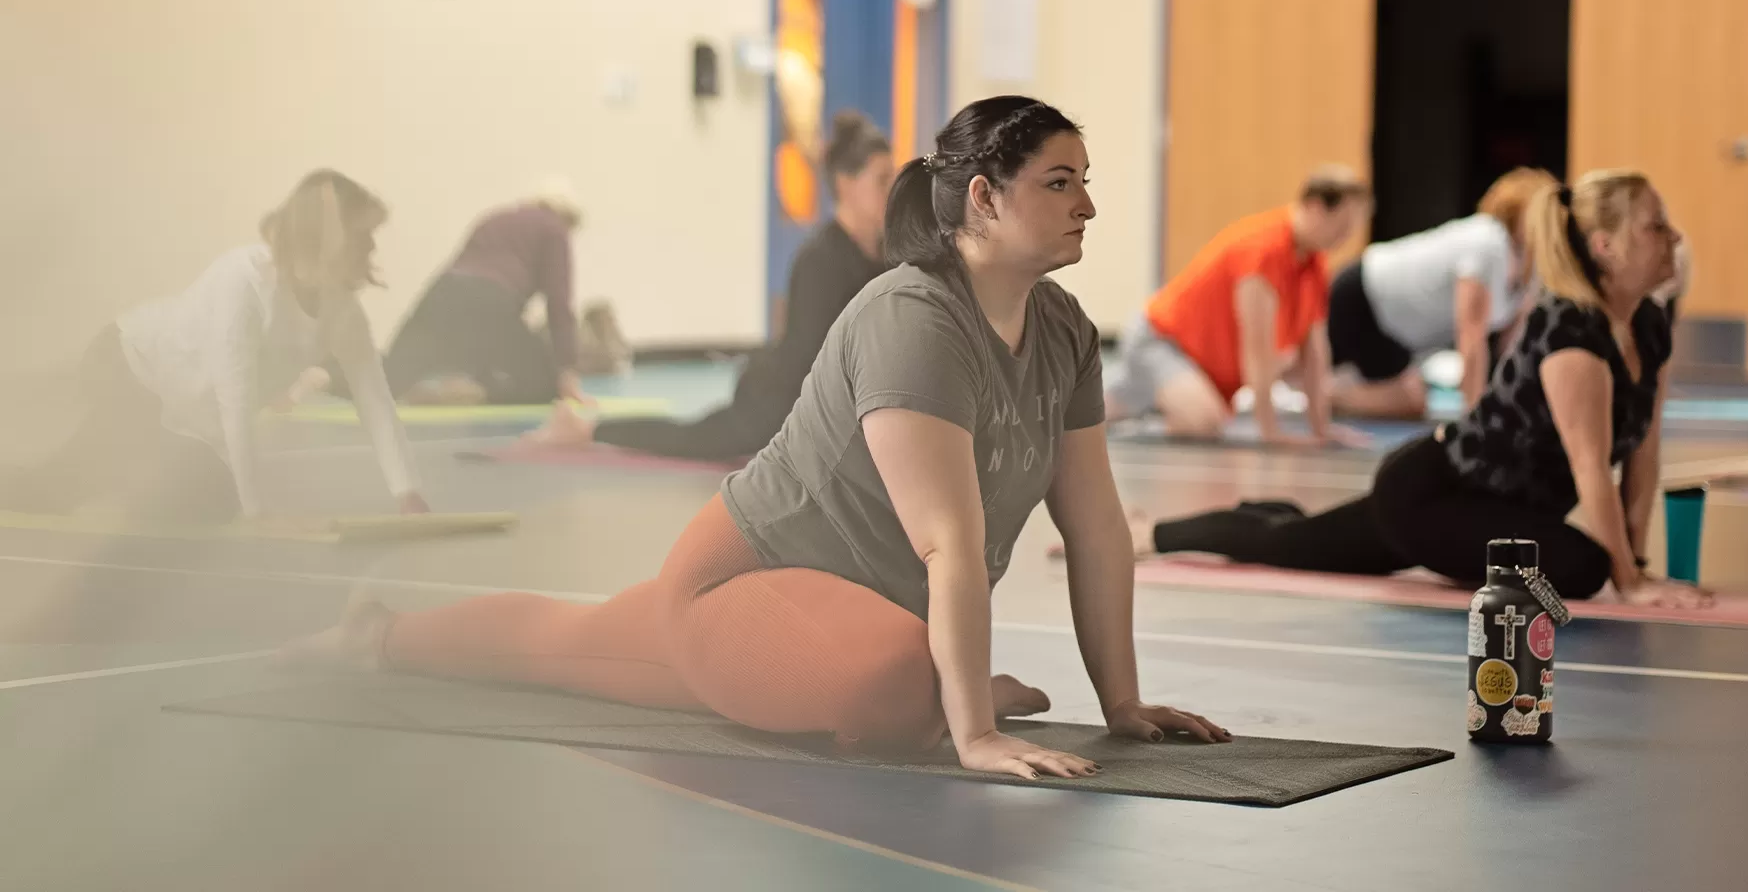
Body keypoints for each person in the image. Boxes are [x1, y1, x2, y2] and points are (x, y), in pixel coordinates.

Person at [287, 96, 1229, 778]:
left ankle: (379, 632)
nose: (1087, 208)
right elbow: (952, 541)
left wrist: (1123, 706)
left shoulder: (1062, 329)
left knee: (584, 637)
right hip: (741, 584)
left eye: (1085, 184)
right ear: (983, 198)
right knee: (873, 682)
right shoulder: (914, 318)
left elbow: (1099, 527)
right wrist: (974, 731)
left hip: (856, 606)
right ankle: (383, 636)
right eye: (1060, 184)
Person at [1139, 170, 1713, 608]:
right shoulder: (1573, 335)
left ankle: (1267, 514)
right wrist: (1629, 583)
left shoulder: (1650, 328)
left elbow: (1643, 450)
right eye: (1655, 226)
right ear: (1605, 247)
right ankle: (1152, 534)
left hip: (1486, 513)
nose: (1674, 237)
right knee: (1584, 567)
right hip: (1433, 495)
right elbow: (1593, 469)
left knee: (1295, 537)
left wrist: (1637, 563)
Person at [4, 171, 424, 521]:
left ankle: (113, 478)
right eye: (363, 235)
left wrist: (407, 493)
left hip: (183, 410)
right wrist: (257, 512)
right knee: (67, 486)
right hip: (127, 365)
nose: (372, 247)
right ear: (325, 237)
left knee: (205, 504)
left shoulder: (342, 309)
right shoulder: (243, 280)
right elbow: (234, 400)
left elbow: (374, 399)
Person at [533, 112, 893, 461]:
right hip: (781, 394)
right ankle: (586, 430)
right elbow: (811, 356)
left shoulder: (886, 257)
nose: (891, 191)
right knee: (696, 438)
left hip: (832, 396)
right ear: (846, 184)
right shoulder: (820, 259)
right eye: (881, 180)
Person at [1105, 167, 1372, 448]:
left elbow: (1314, 353)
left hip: (1205, 363)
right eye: (1342, 227)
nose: (1345, 238)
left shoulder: (1313, 263)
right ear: (1316, 207)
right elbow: (1257, 350)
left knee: (1103, 409)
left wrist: (1322, 429)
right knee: (1204, 424)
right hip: (1162, 341)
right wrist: (1270, 432)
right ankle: (1150, 404)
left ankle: (1136, 393)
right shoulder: (1263, 250)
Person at [1328, 168, 1559, 420]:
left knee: (1413, 397)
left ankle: (1325, 384)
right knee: (1412, 401)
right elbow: (1471, 334)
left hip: (1394, 330)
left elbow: (1513, 345)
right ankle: (1323, 393)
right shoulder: (1488, 241)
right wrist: (1476, 417)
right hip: (1363, 297)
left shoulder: (1529, 263)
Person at [383, 181, 586, 406]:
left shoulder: (496, 218)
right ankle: (467, 393)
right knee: (543, 386)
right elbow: (559, 302)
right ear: (567, 217)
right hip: (491, 300)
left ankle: (438, 385)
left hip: (443, 291)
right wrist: (567, 371)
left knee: (390, 379)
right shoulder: (554, 228)